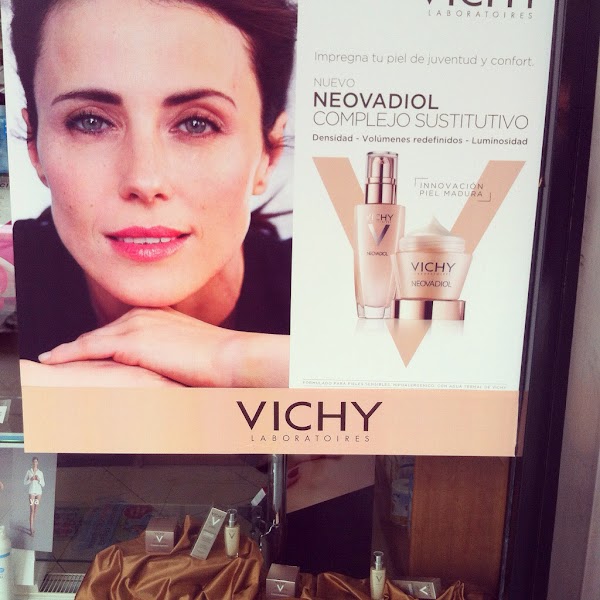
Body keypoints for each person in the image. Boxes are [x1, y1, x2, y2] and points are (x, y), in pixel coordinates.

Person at [10, 0, 297, 388]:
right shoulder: (12, 275)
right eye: (90, 122)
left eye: (197, 124)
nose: (144, 181)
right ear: (34, 147)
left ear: (268, 153)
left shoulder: (333, 288)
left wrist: (234, 360)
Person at [24, 457, 45, 536]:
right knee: (32, 510)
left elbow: (43, 484)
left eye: (36, 462)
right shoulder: (29, 471)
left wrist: (39, 479)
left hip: (38, 493)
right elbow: (25, 482)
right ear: (32, 463)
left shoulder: (40, 472)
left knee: (35, 510)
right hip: (32, 492)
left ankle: (32, 524)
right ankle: (31, 528)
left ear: (37, 463)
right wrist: (31, 479)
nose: (35, 463)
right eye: (33, 462)